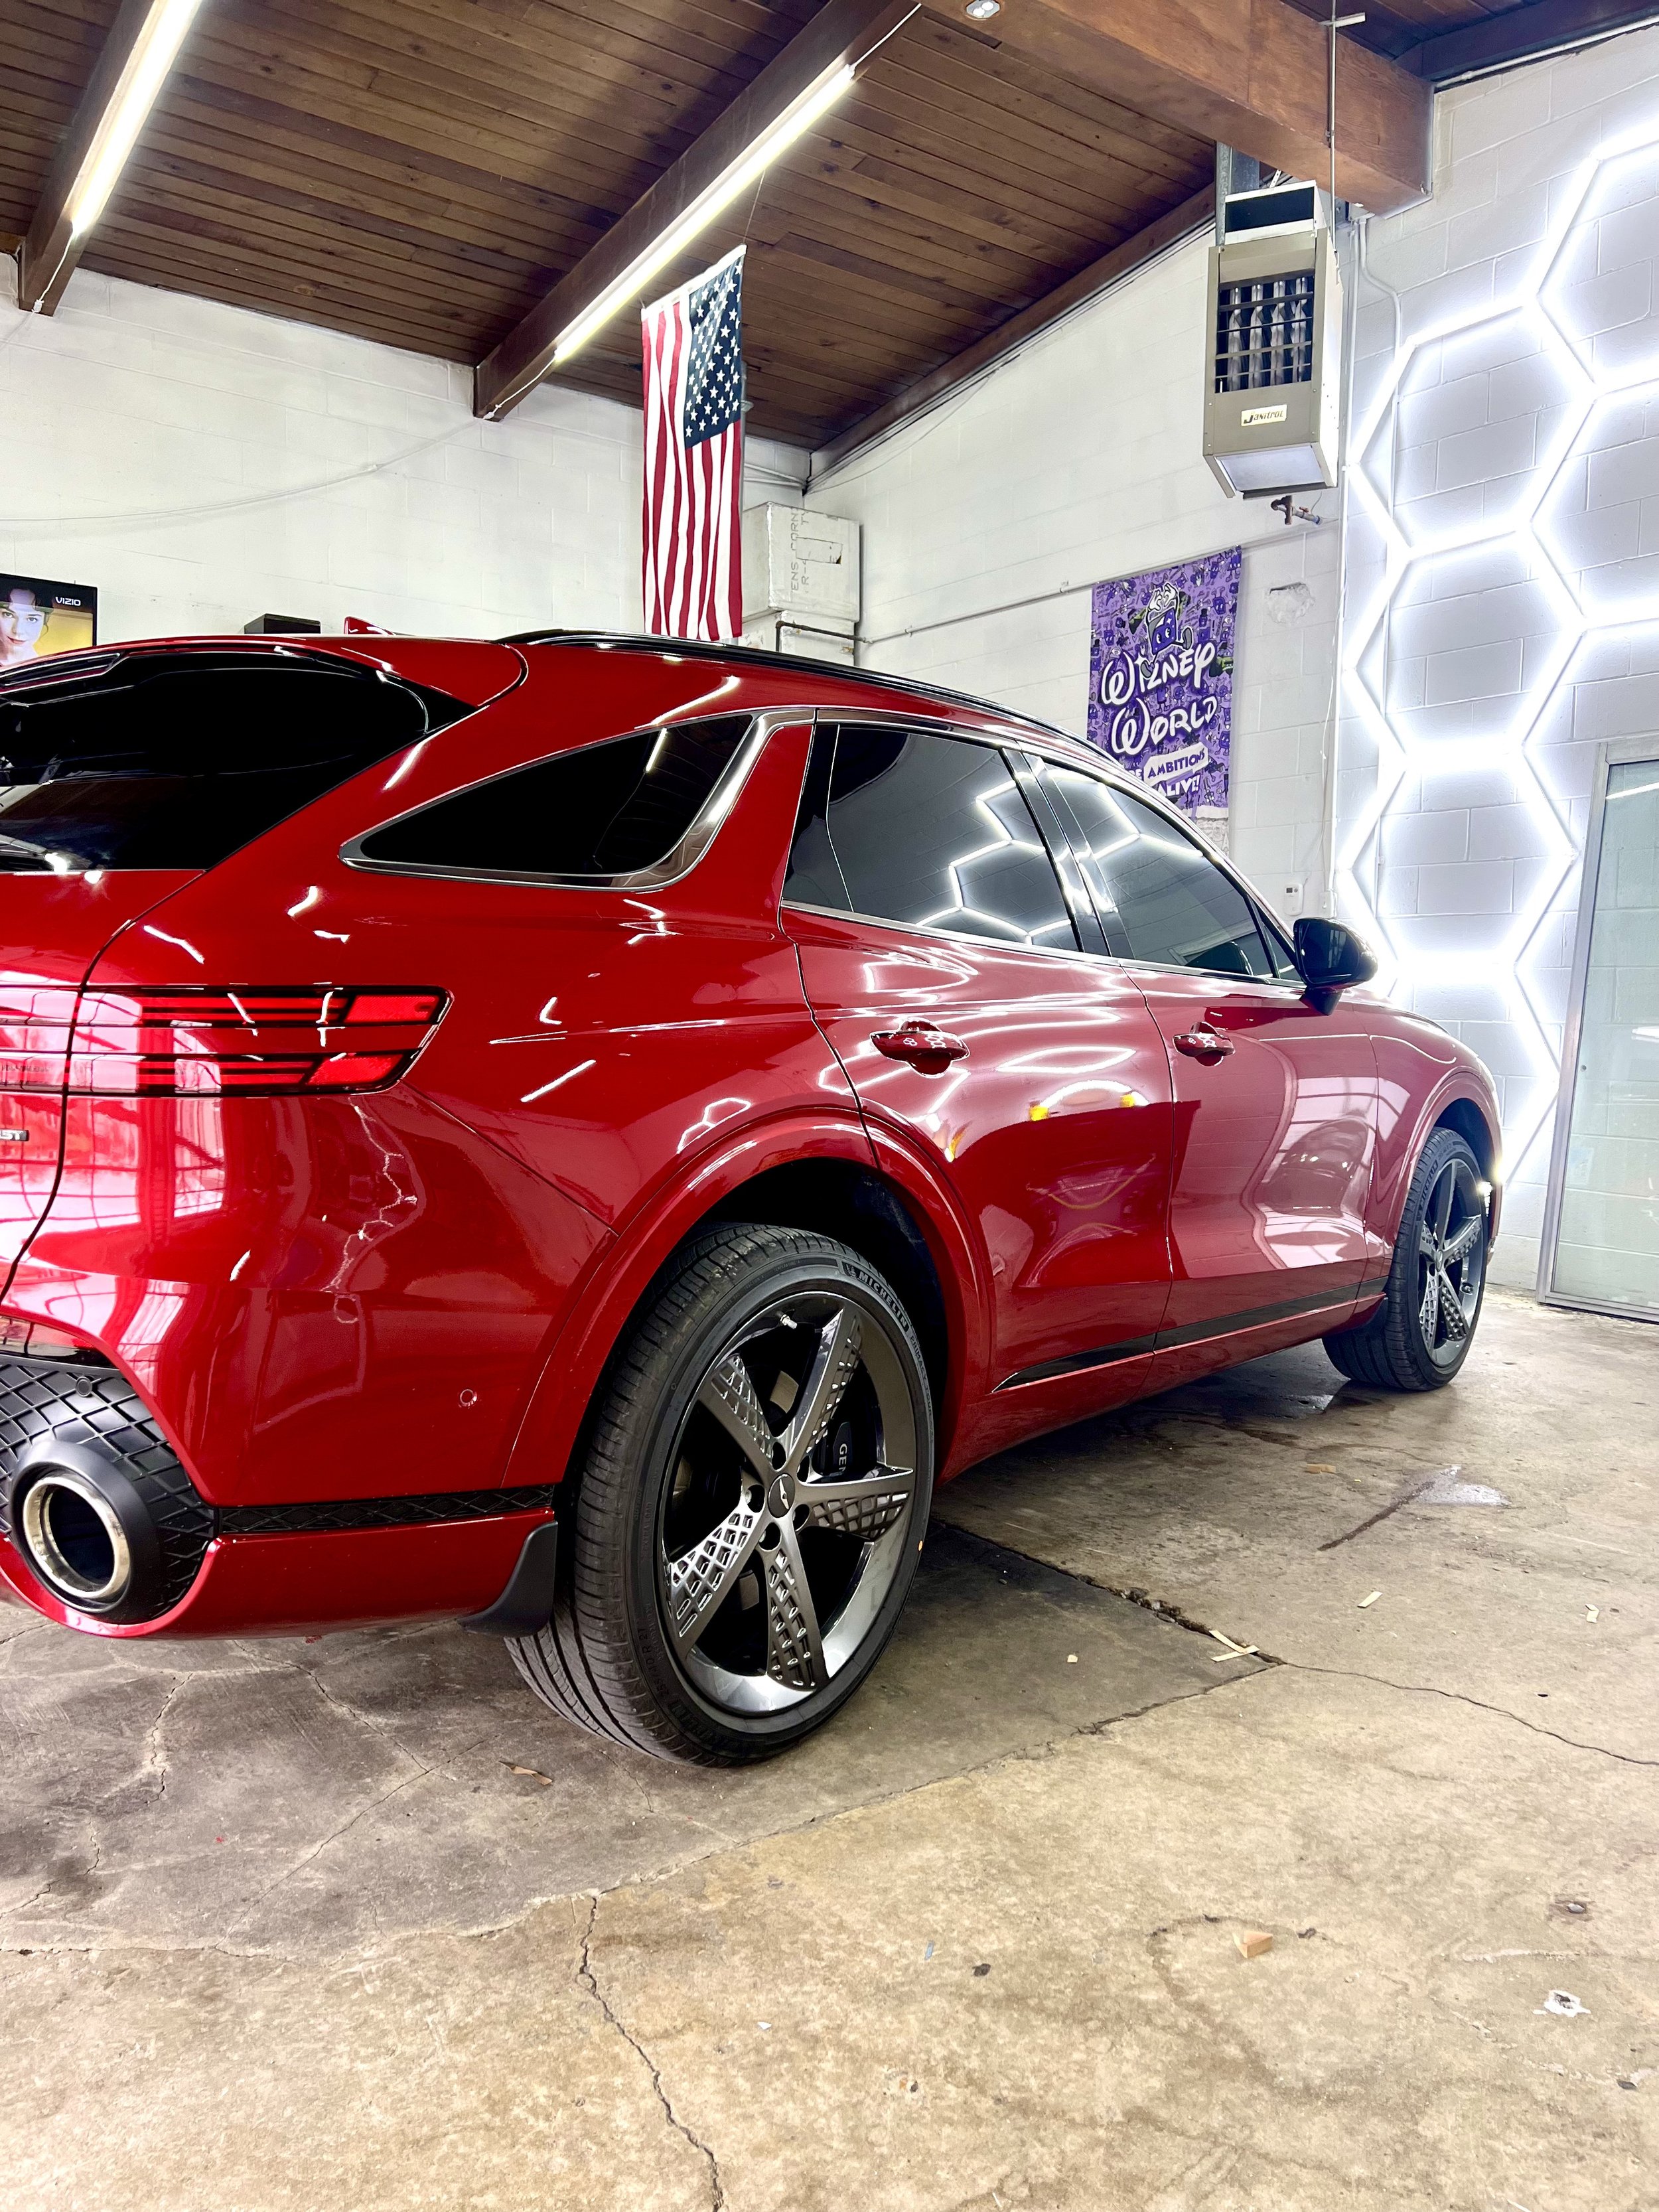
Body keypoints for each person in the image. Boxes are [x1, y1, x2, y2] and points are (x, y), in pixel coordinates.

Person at [0, 585, 48, 669]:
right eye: (8, 615)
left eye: (32, 619)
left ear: (44, 621)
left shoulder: (47, 672)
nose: (18, 630)